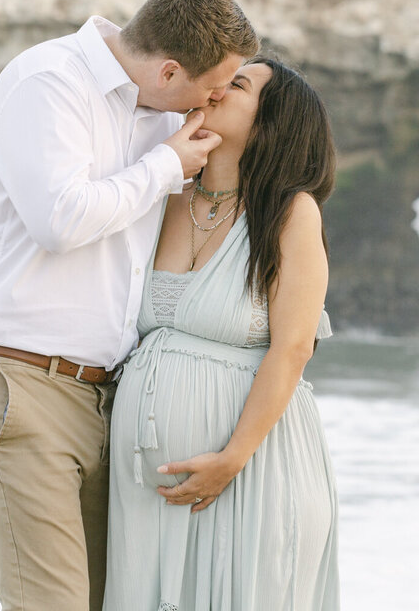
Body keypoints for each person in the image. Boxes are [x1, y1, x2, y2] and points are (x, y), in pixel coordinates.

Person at [0, 0, 259, 611]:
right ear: (169, 70)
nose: (216, 99)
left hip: (107, 396)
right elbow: (58, 220)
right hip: (20, 381)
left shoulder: (165, 111)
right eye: (214, 85)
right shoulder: (50, 82)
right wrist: (165, 165)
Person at [104, 56, 340, 610]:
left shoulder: (291, 214)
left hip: (252, 472)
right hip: (146, 493)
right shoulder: (163, 202)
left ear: (270, 122)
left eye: (235, 85)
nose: (211, 90)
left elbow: (293, 348)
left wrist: (231, 459)